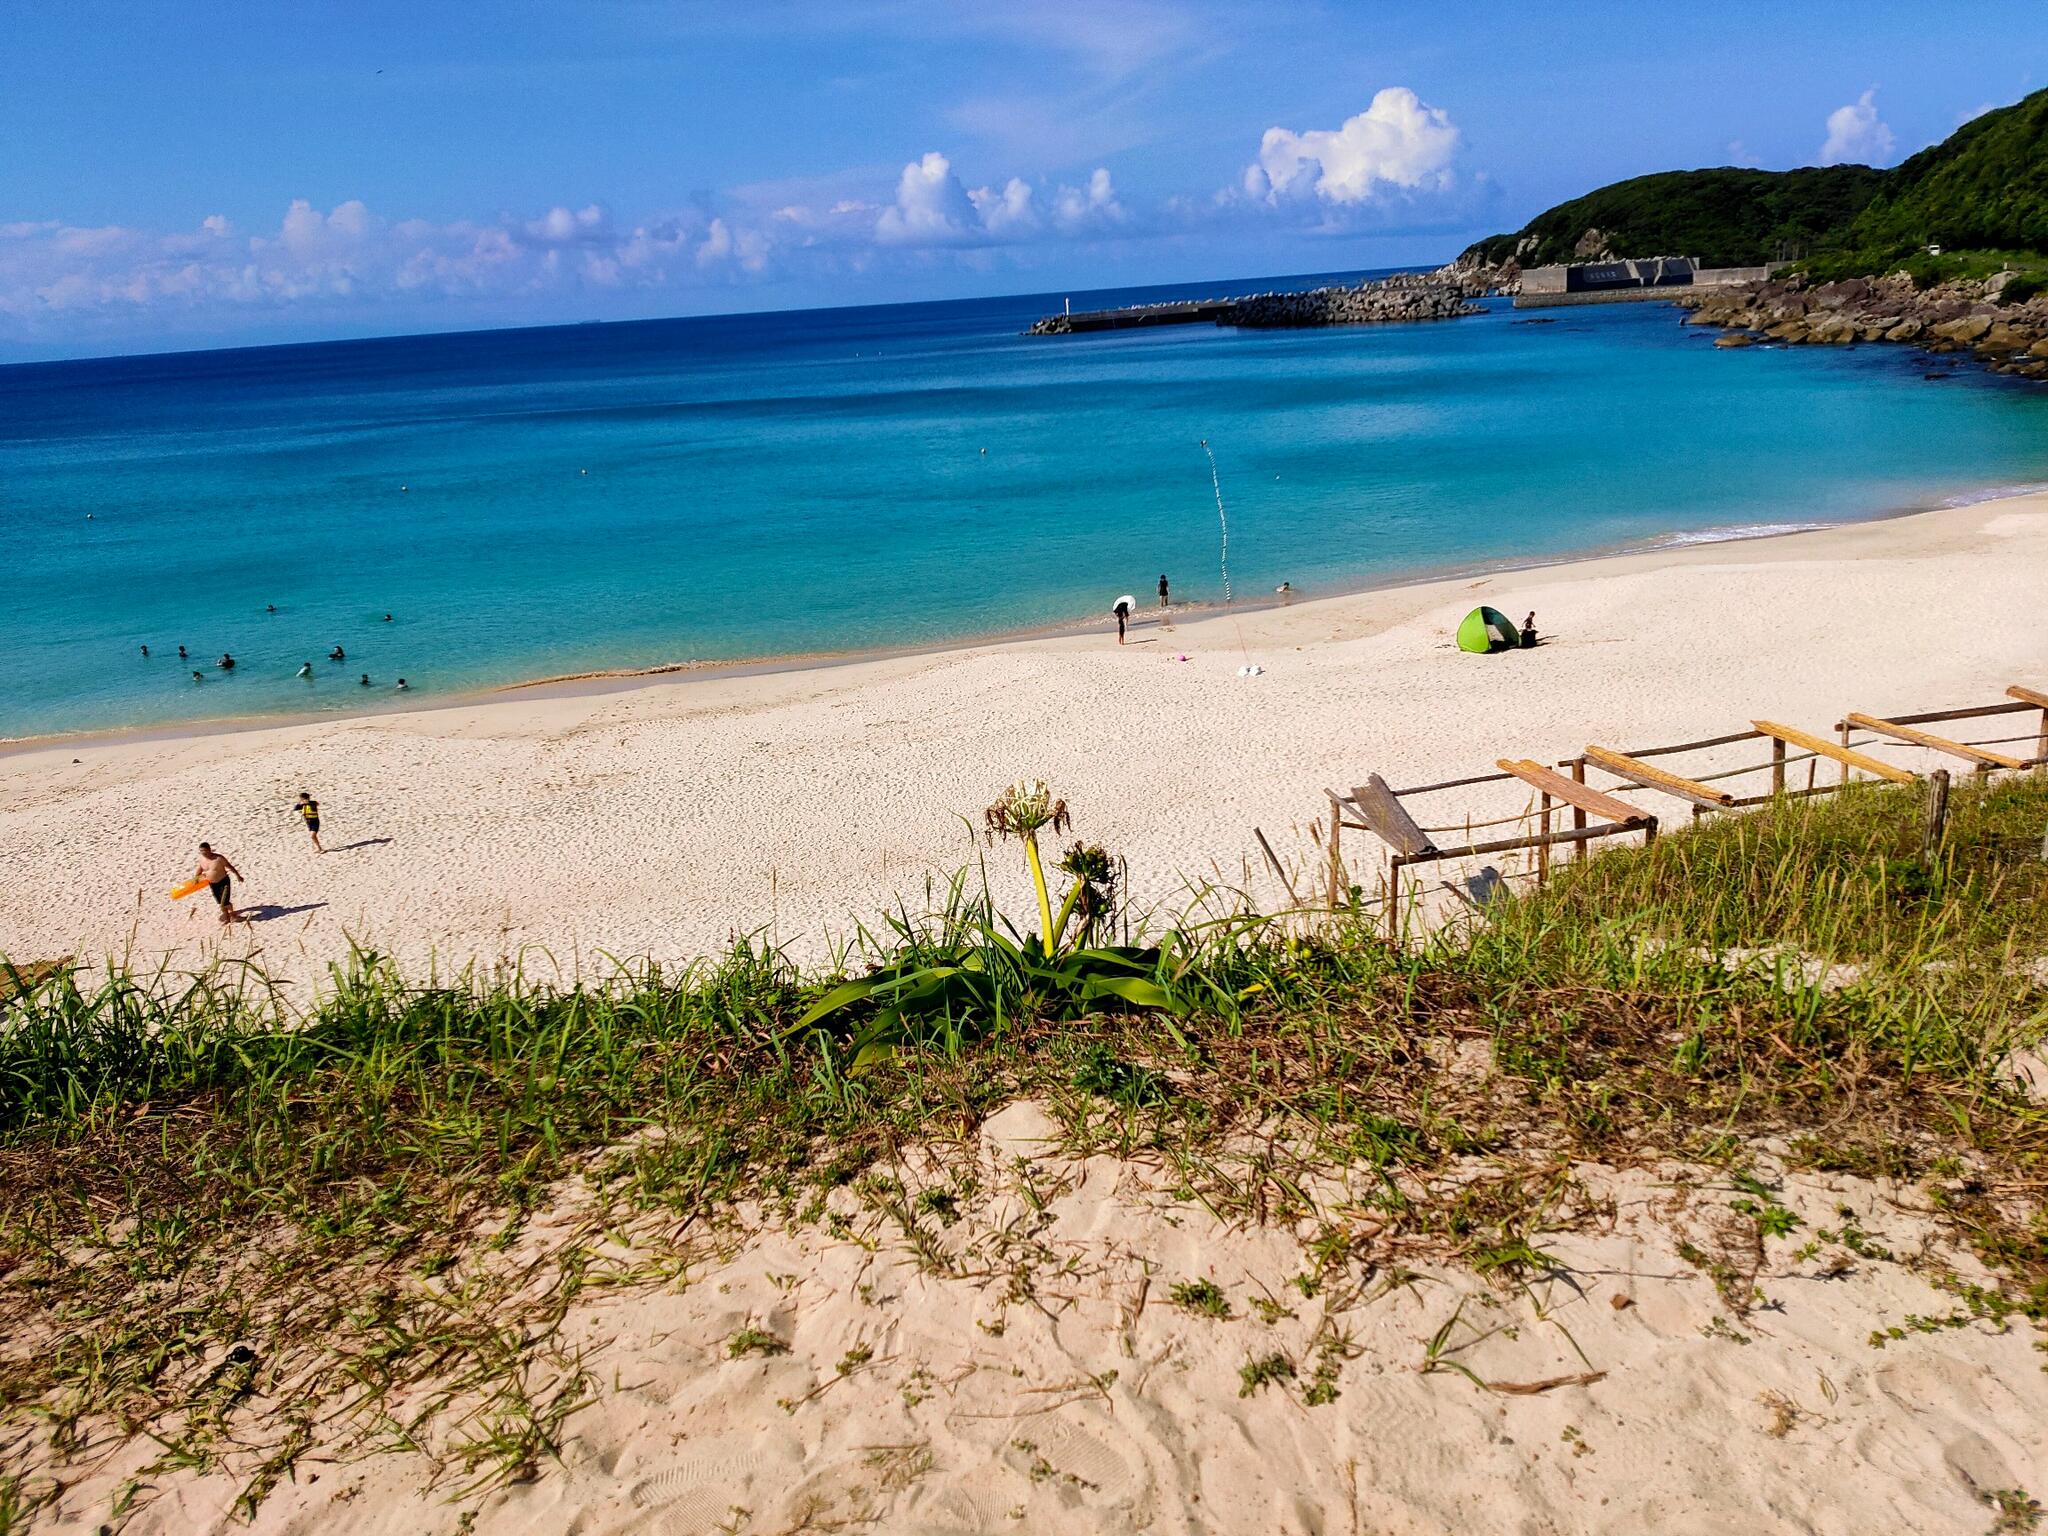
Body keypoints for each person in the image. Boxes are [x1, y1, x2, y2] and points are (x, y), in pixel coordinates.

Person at [195, 841, 244, 925]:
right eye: (201, 851)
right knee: (219, 901)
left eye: (205, 851)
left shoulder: (218, 858)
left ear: (209, 850)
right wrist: (196, 879)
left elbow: (230, 866)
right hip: (212, 884)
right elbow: (200, 869)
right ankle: (227, 916)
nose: (203, 853)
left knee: (224, 901)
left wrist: (238, 876)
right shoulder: (202, 860)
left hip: (224, 881)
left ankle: (233, 915)